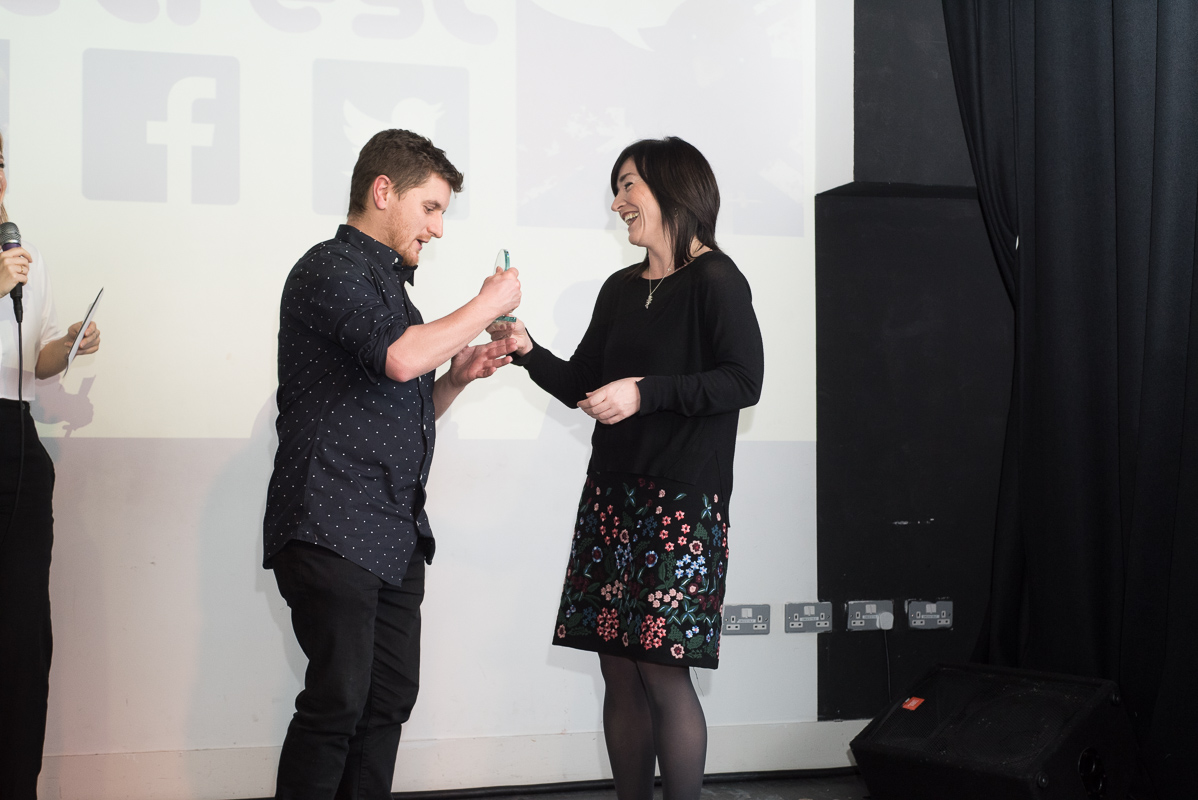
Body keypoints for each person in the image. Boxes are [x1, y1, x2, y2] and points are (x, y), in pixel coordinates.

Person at [490, 137, 764, 800]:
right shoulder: (619, 290)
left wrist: (646, 391)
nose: (617, 203)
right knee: (617, 667)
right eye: (616, 189)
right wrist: (526, 349)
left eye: (627, 185)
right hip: (612, 499)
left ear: (673, 187)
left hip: (682, 507)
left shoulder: (717, 279)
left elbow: (743, 380)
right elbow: (582, 384)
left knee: (663, 669)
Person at [262, 129, 520, 800]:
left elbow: (400, 405)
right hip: (330, 521)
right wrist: (487, 305)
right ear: (383, 192)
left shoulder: (394, 296)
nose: (437, 228)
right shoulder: (329, 269)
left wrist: (455, 378)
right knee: (338, 702)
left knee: (387, 701)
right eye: (430, 208)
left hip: (391, 530)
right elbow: (401, 358)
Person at [0, 130, 102, 799]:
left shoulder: (25, 257)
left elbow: (32, 359)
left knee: (22, 637)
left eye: (0, 163)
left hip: (16, 440)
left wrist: (67, 343)